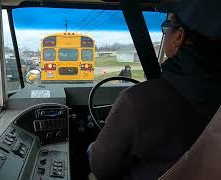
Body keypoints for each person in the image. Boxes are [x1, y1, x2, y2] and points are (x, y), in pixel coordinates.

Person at [88, 0, 221, 179]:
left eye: (167, 26)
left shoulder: (136, 101)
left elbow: (101, 167)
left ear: (178, 37)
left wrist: (92, 148)